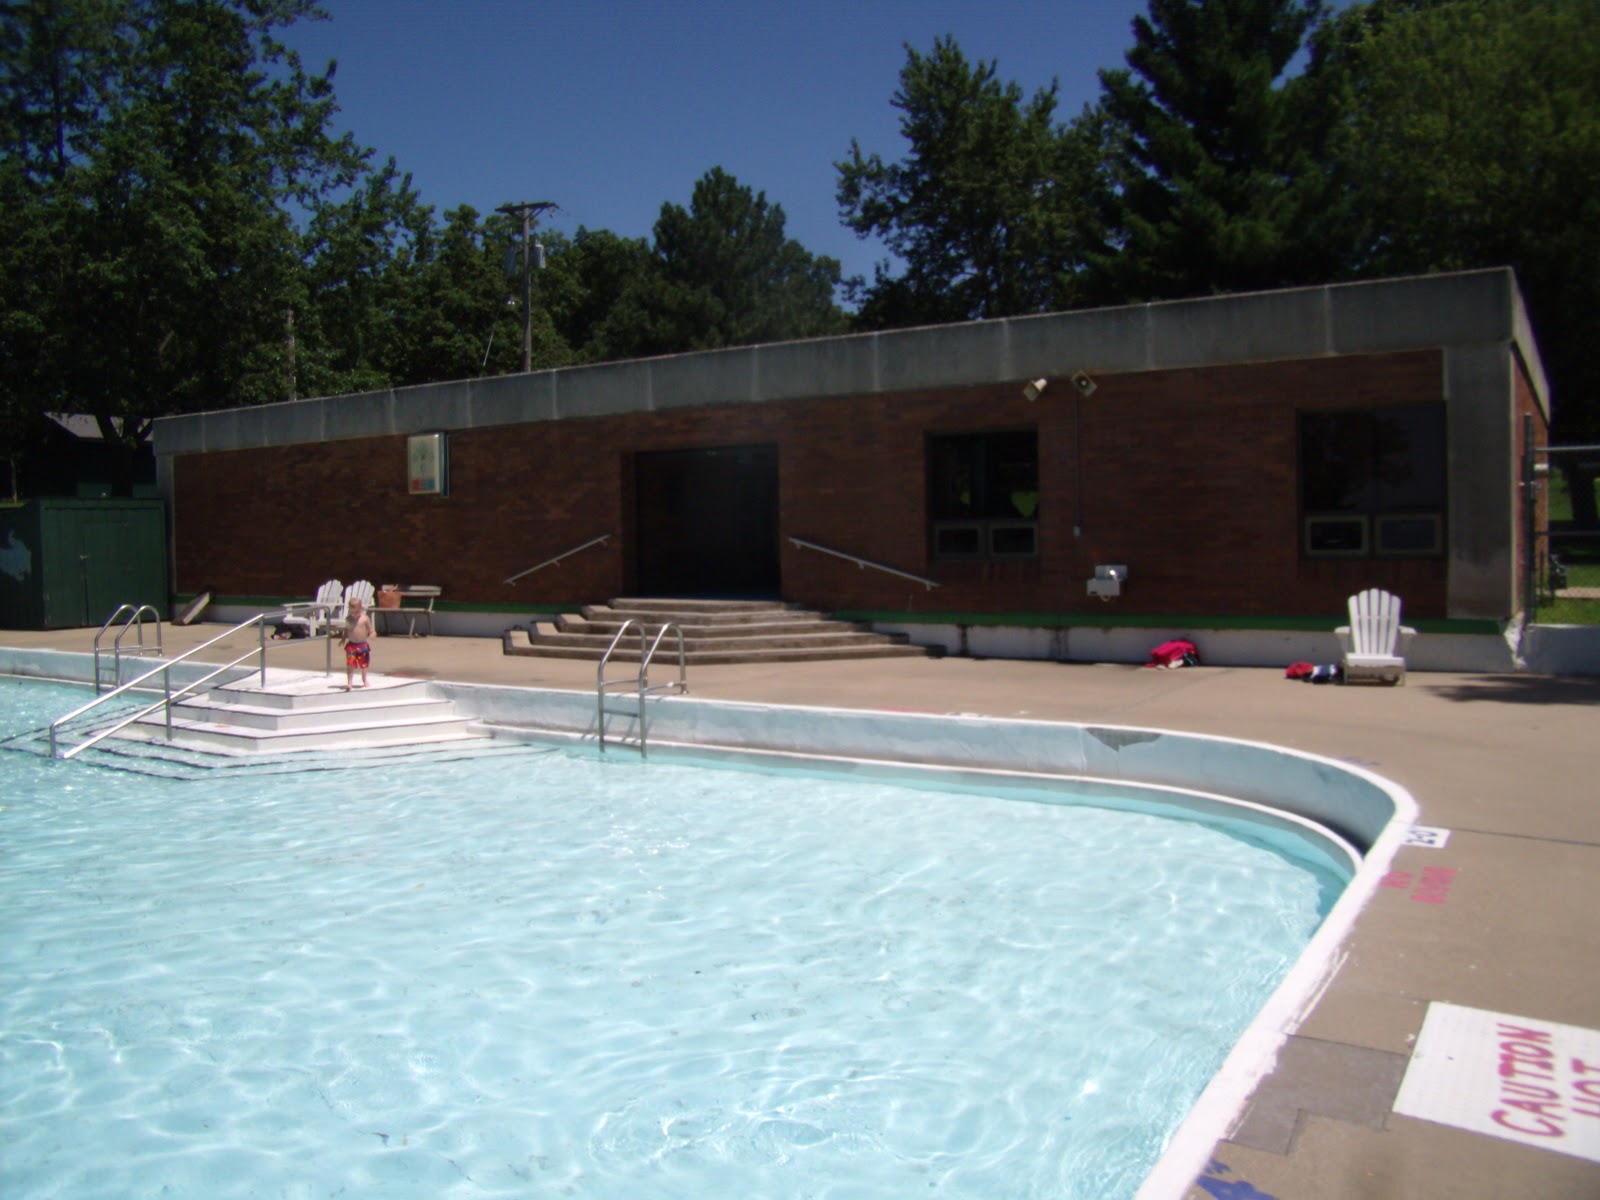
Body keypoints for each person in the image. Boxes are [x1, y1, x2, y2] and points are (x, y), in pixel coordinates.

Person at [340, 597, 376, 690]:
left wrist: (372, 634)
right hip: (351, 646)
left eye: (356, 612)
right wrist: (343, 639)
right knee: (350, 664)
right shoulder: (348, 619)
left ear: (361, 609)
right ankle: (349, 683)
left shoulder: (365, 619)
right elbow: (346, 630)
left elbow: (371, 630)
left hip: (362, 645)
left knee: (364, 664)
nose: (354, 614)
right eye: (352, 612)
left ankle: (364, 679)